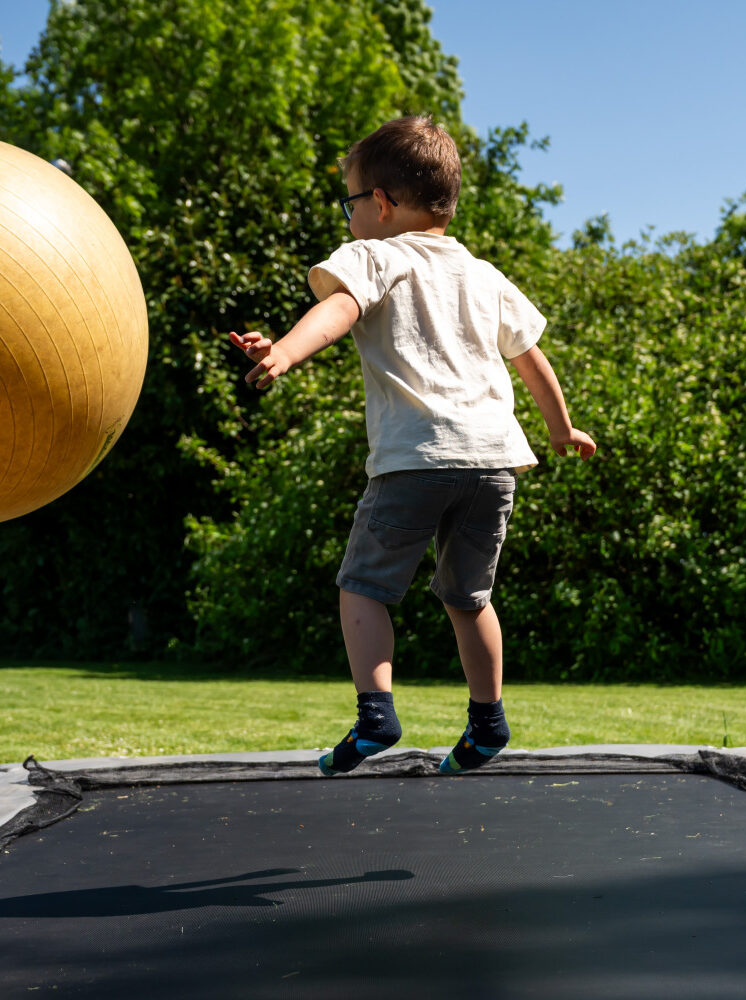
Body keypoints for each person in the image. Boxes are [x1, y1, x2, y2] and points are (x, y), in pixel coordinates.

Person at [229, 115, 596, 777]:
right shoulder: (484, 274)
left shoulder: (375, 256)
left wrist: (285, 349)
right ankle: (487, 722)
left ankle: (377, 712)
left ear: (382, 204)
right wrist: (561, 429)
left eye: (350, 203)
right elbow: (532, 359)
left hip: (415, 460)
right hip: (494, 462)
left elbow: (336, 312)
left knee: (363, 586)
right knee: (470, 598)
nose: (348, 218)